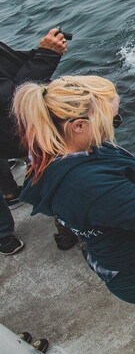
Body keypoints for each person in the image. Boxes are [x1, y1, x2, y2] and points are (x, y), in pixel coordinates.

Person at [14, 75, 135, 354]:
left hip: (130, 263)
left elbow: (116, 182)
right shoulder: (85, 185)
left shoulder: (66, 153)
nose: (112, 129)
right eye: (111, 121)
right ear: (78, 126)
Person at [0, 28, 69, 255]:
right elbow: (12, 97)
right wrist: (46, 57)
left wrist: (41, 51)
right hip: (11, 132)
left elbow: (9, 65)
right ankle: (67, 226)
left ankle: (11, 192)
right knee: (54, 163)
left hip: (13, 130)